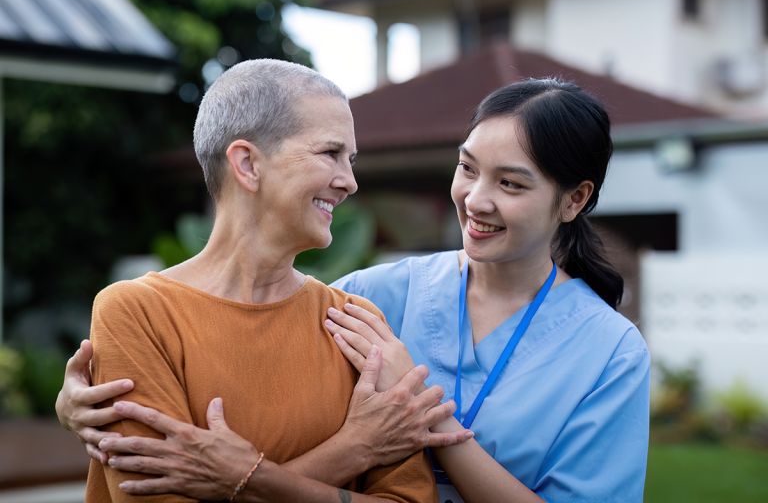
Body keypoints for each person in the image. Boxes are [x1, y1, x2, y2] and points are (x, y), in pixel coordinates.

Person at [58, 78, 650, 502]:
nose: (476, 199)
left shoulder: (609, 352)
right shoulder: (369, 298)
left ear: (573, 200)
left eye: (512, 184)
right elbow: (249, 330)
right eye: (468, 168)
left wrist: (422, 421)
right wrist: (83, 407)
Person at [61, 58, 476, 503]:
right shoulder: (138, 312)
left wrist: (240, 480)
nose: (350, 182)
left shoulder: (353, 322)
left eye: (351, 159)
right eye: (330, 153)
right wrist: (352, 449)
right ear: (247, 164)